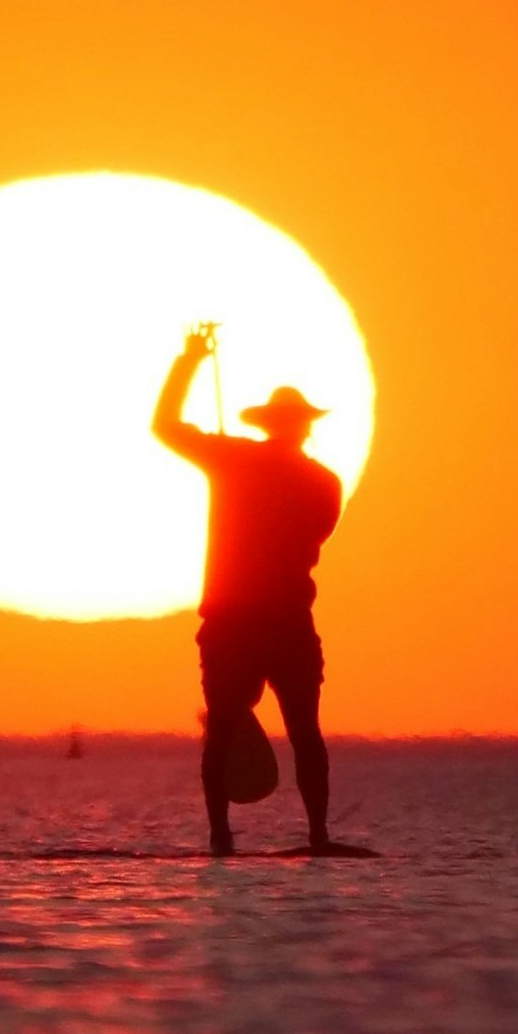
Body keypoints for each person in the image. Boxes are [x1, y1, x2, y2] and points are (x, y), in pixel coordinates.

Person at [151, 324, 344, 857]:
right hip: (276, 623)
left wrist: (189, 360)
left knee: (228, 730)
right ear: (303, 428)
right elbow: (316, 536)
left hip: (245, 624)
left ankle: (222, 836)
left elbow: (165, 425)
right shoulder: (322, 481)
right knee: (303, 732)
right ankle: (315, 835)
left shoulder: (235, 461)